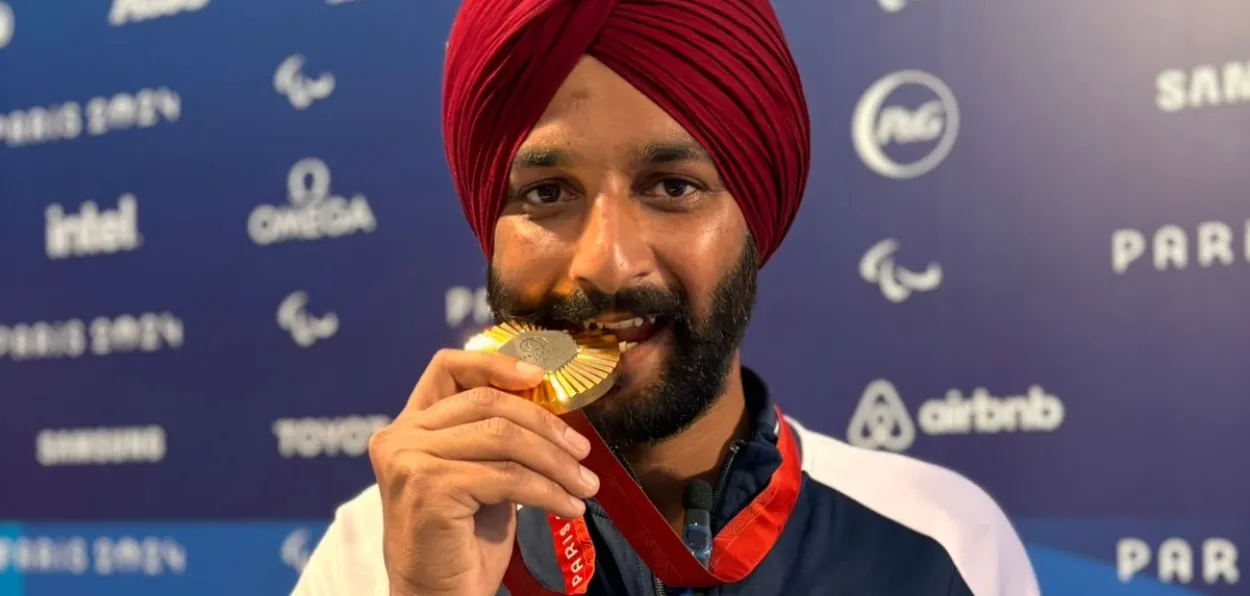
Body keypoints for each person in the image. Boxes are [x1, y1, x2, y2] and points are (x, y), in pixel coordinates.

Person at [293, 0, 1041, 594]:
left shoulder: (937, 542)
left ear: (756, 216)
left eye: (672, 187)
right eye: (547, 193)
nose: (609, 263)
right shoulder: (382, 558)